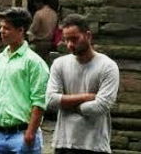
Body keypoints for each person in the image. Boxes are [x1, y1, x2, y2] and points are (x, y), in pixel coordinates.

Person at [45, 14, 119, 154]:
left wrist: (67, 105)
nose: (70, 45)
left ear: (88, 36)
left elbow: (101, 106)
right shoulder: (59, 64)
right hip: (64, 143)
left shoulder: (107, 66)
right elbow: (50, 100)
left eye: (74, 39)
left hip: (94, 145)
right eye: (66, 40)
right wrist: (87, 97)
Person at [0, 7, 49, 154]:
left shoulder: (34, 62)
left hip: (22, 134)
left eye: (7, 28)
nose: (2, 31)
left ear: (21, 30)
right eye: (1, 27)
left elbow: (39, 101)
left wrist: (30, 133)